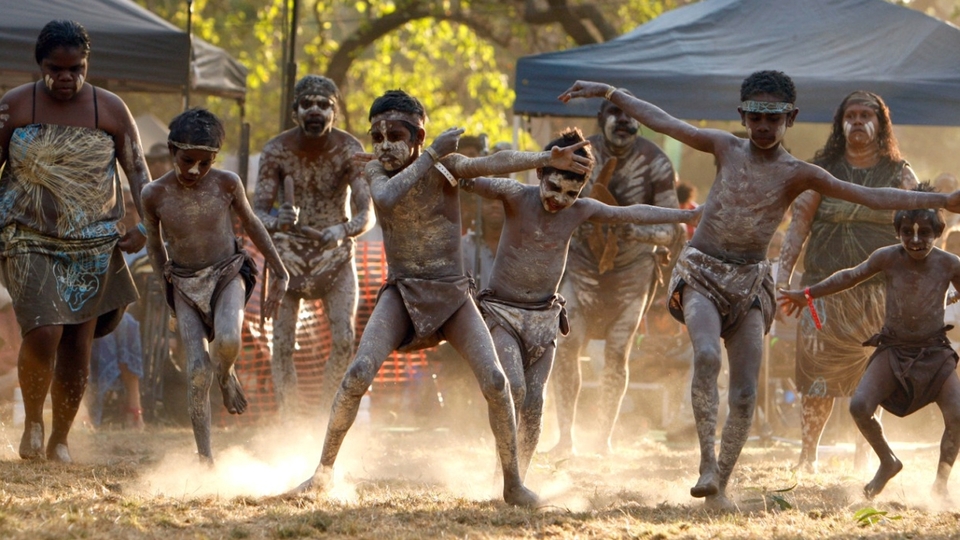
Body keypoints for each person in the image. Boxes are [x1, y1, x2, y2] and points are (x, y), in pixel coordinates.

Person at [558, 71, 960, 510]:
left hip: (750, 283)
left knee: (746, 390)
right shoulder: (724, 147)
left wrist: (940, 202)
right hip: (703, 273)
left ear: (791, 118)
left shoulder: (799, 172)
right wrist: (610, 92)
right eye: (755, 117)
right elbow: (666, 122)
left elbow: (867, 196)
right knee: (708, 356)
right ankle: (707, 464)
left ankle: (721, 485)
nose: (764, 127)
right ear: (743, 117)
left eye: (773, 119)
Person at [293, 89, 592, 507]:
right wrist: (430, 154)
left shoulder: (445, 166)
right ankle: (322, 473)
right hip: (402, 291)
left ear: (417, 135)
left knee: (495, 381)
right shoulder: (378, 173)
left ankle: (511, 483)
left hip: (453, 293)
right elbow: (385, 199)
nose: (382, 146)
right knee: (359, 371)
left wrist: (544, 161)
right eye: (375, 136)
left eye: (393, 135)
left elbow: (491, 165)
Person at [462, 127, 699, 478]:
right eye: (554, 187)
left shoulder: (581, 210)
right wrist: (540, 157)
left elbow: (633, 213)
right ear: (541, 174)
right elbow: (465, 171)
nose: (558, 200)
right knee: (512, 386)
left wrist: (684, 216)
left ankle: (516, 478)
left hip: (545, 319)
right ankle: (503, 471)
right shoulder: (516, 195)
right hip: (504, 312)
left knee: (534, 402)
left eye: (571, 193)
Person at [0, 20, 149, 462]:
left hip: (93, 244)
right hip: (26, 236)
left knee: (77, 344)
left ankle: (60, 438)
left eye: (76, 68)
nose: (66, 78)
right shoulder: (15, 105)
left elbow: (139, 171)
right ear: (39, 64)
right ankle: (32, 422)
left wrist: (146, 225)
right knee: (44, 331)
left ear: (88, 64)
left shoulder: (110, 109)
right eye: (55, 68)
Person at [779, 189, 960, 500]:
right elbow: (849, 276)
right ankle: (887, 461)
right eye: (907, 233)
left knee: (957, 417)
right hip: (893, 348)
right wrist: (807, 293)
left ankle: (941, 483)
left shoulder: (950, 264)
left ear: (938, 233)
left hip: (935, 352)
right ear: (898, 232)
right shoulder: (888, 257)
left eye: (924, 233)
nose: (915, 240)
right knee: (860, 407)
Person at [775, 91, 917, 473]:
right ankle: (807, 458)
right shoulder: (819, 172)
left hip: (881, 294)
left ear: (880, 124)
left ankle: (864, 458)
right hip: (822, 292)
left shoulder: (901, 173)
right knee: (816, 377)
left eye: (866, 115)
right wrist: (780, 280)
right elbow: (797, 228)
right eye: (850, 115)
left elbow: (919, 233)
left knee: (874, 377)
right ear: (840, 123)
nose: (857, 121)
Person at [141, 108, 289, 463]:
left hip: (227, 273)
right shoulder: (153, 194)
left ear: (215, 160)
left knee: (228, 340)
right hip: (184, 283)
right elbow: (154, 243)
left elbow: (253, 225)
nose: (194, 170)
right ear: (172, 151)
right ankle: (204, 455)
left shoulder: (227, 183)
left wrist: (280, 272)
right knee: (195, 371)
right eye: (186, 160)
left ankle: (226, 374)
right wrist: (167, 286)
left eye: (204, 163)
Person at [549, 91, 683, 456]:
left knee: (618, 352)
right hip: (580, 267)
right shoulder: (578, 154)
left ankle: (603, 440)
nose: (623, 121)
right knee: (566, 345)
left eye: (630, 114)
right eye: (614, 113)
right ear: (599, 116)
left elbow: (671, 229)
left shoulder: (656, 163)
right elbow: (552, 206)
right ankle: (565, 437)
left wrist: (631, 231)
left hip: (632, 272)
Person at [254, 75, 375, 419]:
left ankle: (327, 416)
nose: (316, 111)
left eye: (325, 105)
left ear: (334, 113)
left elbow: (368, 212)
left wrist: (343, 230)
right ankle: (289, 420)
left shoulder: (350, 150)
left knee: (344, 339)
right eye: (308, 104)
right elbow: (257, 212)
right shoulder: (276, 150)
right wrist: (279, 220)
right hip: (287, 257)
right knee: (281, 344)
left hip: (334, 256)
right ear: (295, 111)